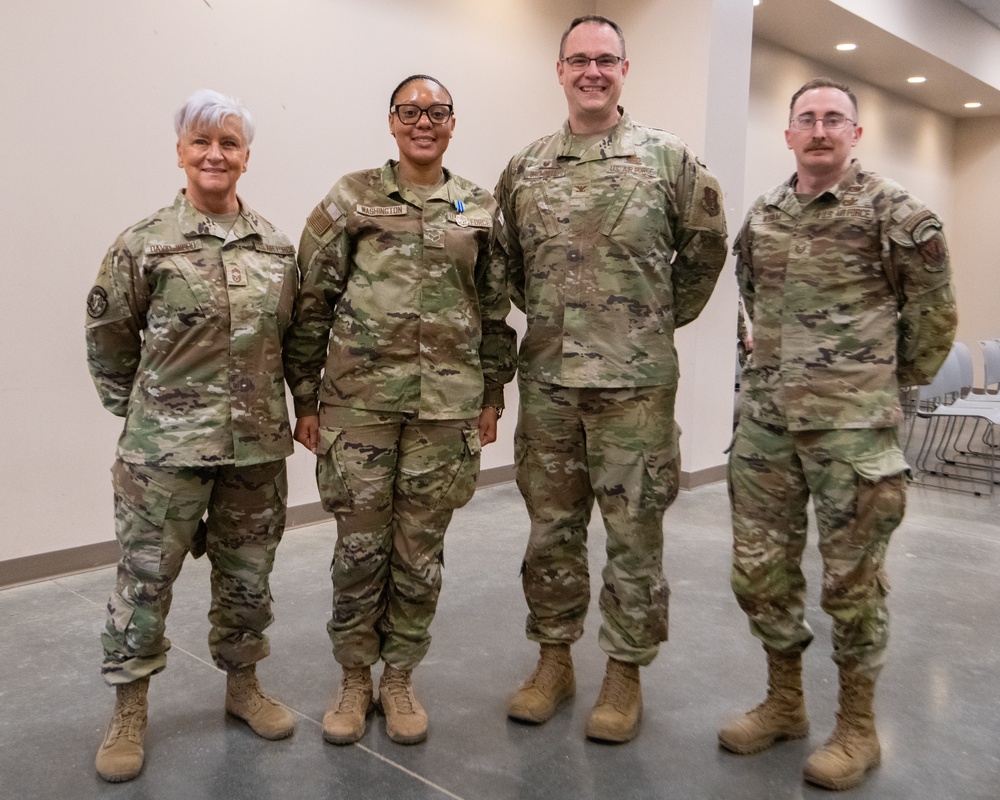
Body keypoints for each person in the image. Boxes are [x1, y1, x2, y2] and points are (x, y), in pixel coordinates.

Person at [494, 15, 728, 743]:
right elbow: (504, 264)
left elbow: (704, 255)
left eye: (604, 60)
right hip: (551, 383)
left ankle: (624, 673)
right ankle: (554, 661)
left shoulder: (669, 160)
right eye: (577, 60)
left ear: (625, 69)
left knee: (634, 536)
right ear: (559, 71)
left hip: (637, 387)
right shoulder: (525, 166)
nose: (590, 71)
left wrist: (646, 323)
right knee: (551, 530)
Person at [718, 78, 957, 790]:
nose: (819, 129)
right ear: (788, 134)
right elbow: (752, 301)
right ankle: (785, 703)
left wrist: (875, 385)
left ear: (855, 134)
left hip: (852, 435)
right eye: (806, 119)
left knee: (852, 585)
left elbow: (934, 321)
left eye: (834, 119)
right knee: (759, 574)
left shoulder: (899, 215)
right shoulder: (763, 215)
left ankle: (858, 726)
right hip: (766, 429)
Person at [284, 74, 516, 746]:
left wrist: (491, 395)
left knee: (419, 554)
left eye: (437, 111)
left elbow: (496, 311)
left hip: (446, 411)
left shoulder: (479, 207)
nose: (425, 121)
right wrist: (305, 398)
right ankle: (355, 677)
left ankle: (400, 675)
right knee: (359, 551)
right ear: (391, 121)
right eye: (411, 110)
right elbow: (311, 303)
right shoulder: (350, 199)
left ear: (452, 123)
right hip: (358, 408)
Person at [85, 89, 299, 782]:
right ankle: (129, 711)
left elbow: (293, 341)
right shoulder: (143, 242)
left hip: (256, 450)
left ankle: (242, 689)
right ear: (180, 153)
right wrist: (146, 413)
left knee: (248, 580)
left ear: (246, 156)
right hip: (164, 456)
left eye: (229, 143)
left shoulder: (275, 245)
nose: (216, 154)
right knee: (145, 581)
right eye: (202, 142)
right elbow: (109, 336)